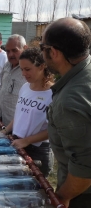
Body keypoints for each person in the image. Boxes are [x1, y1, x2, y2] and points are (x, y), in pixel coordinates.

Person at [42, 17, 91, 207]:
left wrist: (62, 197)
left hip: (83, 195)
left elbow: (85, 167)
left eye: (42, 48)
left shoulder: (69, 101)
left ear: (53, 52)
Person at [1, 48, 54, 177]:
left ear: (42, 66)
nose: (23, 74)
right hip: (17, 143)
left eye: (28, 69)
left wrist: (27, 140)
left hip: (37, 150)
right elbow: (20, 115)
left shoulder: (53, 94)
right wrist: (5, 131)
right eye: (21, 69)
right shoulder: (25, 87)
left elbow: (55, 129)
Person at [0, 34, 27, 125]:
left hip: (19, 125)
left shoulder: (29, 70)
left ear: (25, 48)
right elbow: (2, 88)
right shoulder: (7, 66)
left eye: (15, 50)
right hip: (3, 120)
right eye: (8, 51)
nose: (11, 54)